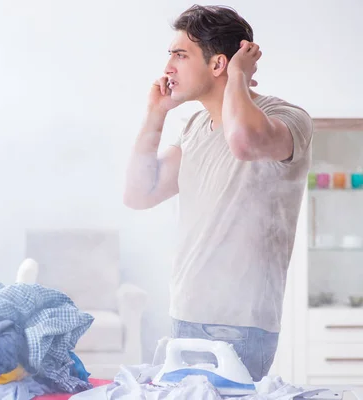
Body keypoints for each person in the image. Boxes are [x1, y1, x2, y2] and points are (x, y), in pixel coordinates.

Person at [123, 5, 312, 381]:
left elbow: (244, 142)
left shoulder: (287, 118)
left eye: (181, 54)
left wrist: (239, 75)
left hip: (241, 324)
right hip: (187, 313)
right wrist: (155, 114)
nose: (168, 67)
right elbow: (138, 194)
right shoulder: (194, 126)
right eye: (170, 55)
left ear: (218, 64)